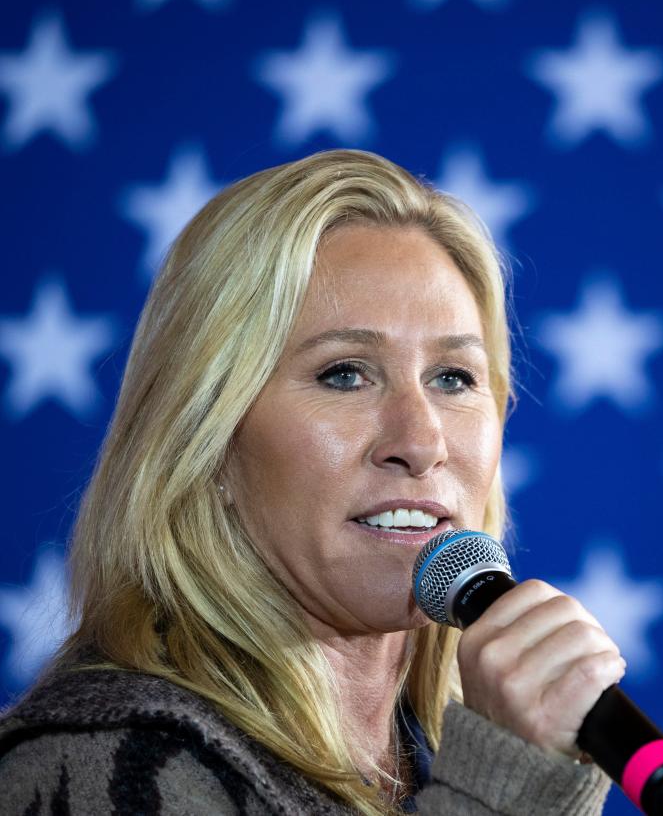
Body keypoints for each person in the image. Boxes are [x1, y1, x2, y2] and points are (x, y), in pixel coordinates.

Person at [0, 150, 626, 815]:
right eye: (345, 374)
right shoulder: (102, 768)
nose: (420, 442)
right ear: (206, 441)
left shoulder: (437, 755)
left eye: (453, 378)